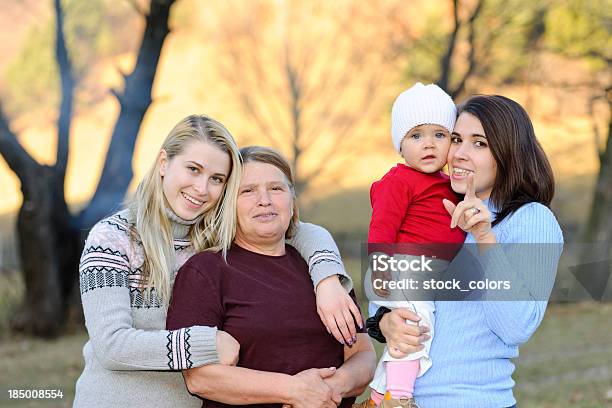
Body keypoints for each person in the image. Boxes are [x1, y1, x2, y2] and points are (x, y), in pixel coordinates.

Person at [73, 116, 362, 408]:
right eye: (193, 170)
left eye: (217, 179)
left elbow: (298, 229)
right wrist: (204, 344)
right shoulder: (113, 238)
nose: (201, 188)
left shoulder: (211, 235)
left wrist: (327, 280)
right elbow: (111, 345)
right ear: (163, 163)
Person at [366, 95, 564, 408]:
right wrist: (382, 321)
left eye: (479, 144)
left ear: (508, 152)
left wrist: (484, 237)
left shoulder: (530, 220)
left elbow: (515, 327)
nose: (459, 154)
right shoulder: (440, 210)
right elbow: (397, 284)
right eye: (456, 139)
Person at [166, 146, 377, 408]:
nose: (264, 200)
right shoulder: (206, 271)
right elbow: (200, 377)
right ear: (228, 204)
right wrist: (294, 391)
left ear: (292, 199)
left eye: (276, 188)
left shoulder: (322, 272)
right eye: (248, 191)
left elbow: (363, 354)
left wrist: (329, 389)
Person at [359, 83, 466, 408]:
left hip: (426, 278)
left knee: (409, 336)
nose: (429, 144)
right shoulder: (398, 181)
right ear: (400, 145)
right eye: (416, 136)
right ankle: (400, 399)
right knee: (415, 331)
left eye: (439, 135)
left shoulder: (450, 185)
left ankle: (379, 399)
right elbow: (381, 230)